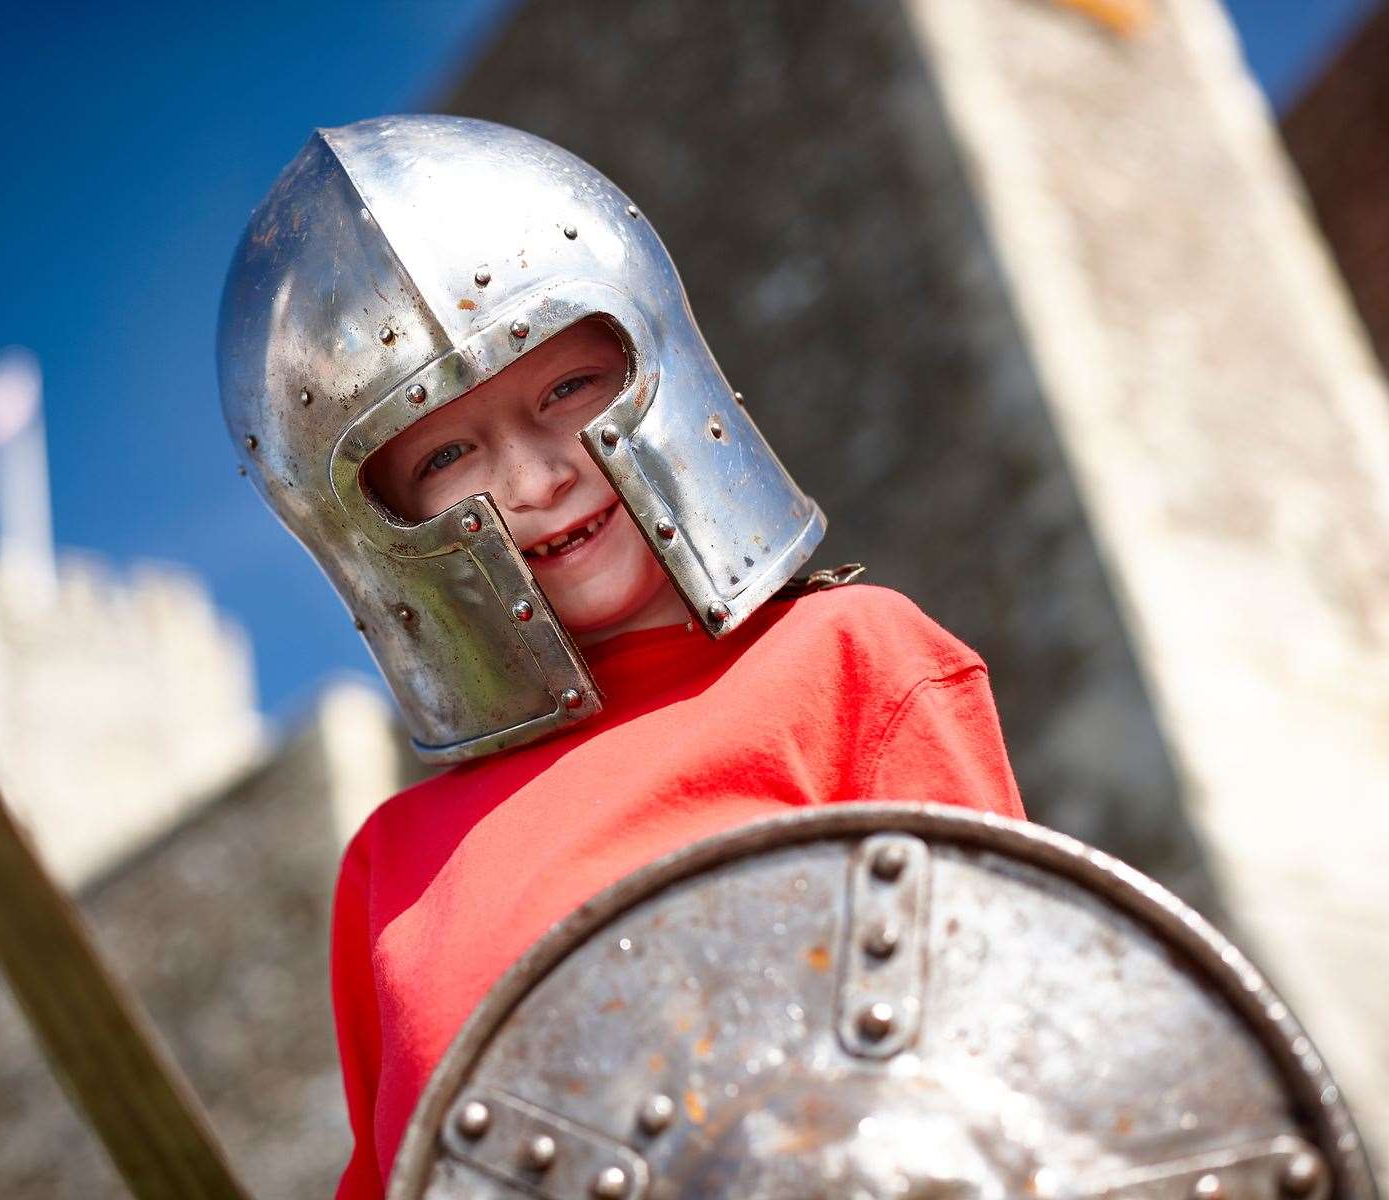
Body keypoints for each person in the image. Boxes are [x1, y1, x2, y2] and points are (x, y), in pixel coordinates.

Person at [217, 115, 1024, 1200]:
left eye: (563, 390)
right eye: (450, 450)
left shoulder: (850, 661)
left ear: (657, 359)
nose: (537, 477)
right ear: (377, 516)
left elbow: (1015, 1071)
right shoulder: (393, 867)